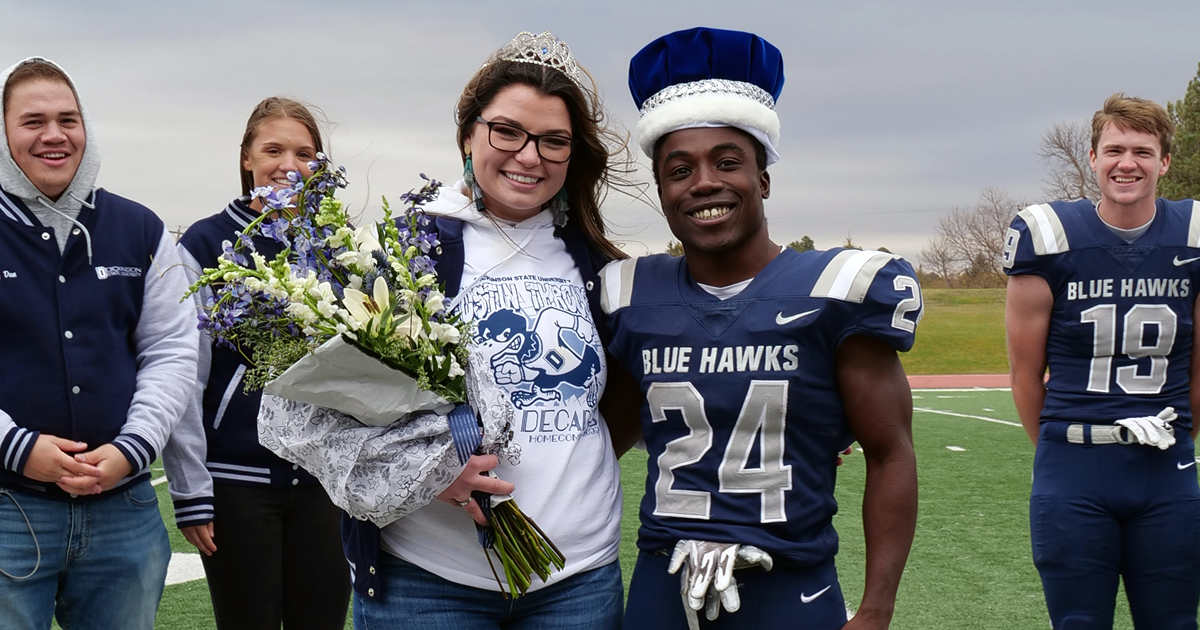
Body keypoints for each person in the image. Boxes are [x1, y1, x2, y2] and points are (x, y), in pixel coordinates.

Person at [258, 31, 632, 629]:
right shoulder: (410, 250)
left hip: (578, 580)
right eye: (507, 131)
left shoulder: (598, 265)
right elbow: (313, 410)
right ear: (468, 135)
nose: (529, 155)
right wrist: (426, 470)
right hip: (428, 580)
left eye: (553, 141)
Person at [601, 28, 921, 629]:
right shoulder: (631, 296)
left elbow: (890, 451)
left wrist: (877, 609)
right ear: (663, 192)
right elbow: (597, 444)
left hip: (787, 587)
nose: (704, 182)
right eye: (679, 170)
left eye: (727, 162)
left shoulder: (835, 290)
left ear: (764, 178)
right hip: (661, 587)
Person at [0, 57, 197, 629]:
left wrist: (133, 447)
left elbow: (171, 350)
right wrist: (18, 447)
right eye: (33, 121)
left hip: (125, 510)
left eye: (68, 118)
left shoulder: (139, 228)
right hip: (9, 506)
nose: (55, 135)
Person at [1004, 93, 1200, 628]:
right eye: (1114, 149)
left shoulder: (1193, 234)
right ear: (1092, 158)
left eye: (1142, 150)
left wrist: (1180, 435)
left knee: (1175, 622)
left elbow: (1199, 371)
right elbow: (1025, 376)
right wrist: (1063, 450)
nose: (1127, 163)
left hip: (1166, 467)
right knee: (1078, 624)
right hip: (1074, 467)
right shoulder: (1048, 236)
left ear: (1164, 162)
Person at [161, 97, 351, 629]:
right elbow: (186, 373)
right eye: (273, 149)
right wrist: (193, 491)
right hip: (236, 483)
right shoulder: (203, 243)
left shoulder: (336, 247)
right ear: (247, 157)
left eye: (305, 152)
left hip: (323, 482)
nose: (289, 163)